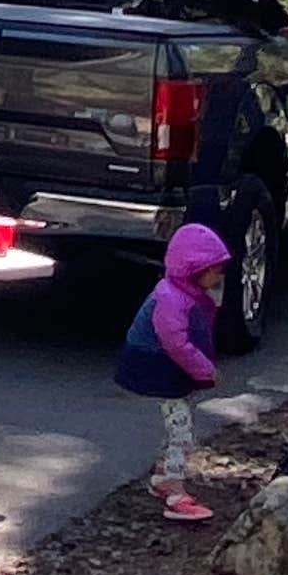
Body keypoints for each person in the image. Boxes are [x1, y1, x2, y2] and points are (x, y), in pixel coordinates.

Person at [113, 223, 232, 522]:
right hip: (158, 368)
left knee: (175, 424)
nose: (219, 277)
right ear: (194, 270)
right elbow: (176, 342)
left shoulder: (186, 294)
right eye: (214, 271)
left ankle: (163, 476)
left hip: (168, 370)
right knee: (181, 433)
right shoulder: (171, 299)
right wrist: (205, 369)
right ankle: (176, 494)